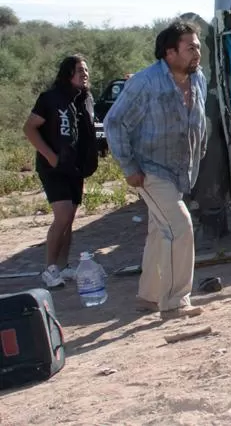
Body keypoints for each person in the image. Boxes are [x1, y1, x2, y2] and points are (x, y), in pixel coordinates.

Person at [103, 21, 209, 318]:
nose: (196, 53)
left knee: (160, 231)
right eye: (190, 48)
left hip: (180, 170)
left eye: (198, 46)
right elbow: (115, 122)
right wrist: (129, 166)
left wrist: (200, 149)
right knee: (180, 226)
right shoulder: (145, 82)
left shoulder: (198, 78)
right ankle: (176, 301)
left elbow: (200, 119)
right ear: (169, 52)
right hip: (150, 169)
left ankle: (148, 297)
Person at [22, 55, 99, 289]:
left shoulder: (85, 99)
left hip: (74, 167)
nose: (84, 74)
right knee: (62, 215)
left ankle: (64, 267)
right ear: (67, 73)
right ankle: (50, 268)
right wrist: (51, 157)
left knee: (70, 218)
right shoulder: (50, 98)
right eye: (79, 70)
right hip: (52, 167)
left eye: (86, 70)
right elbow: (29, 128)